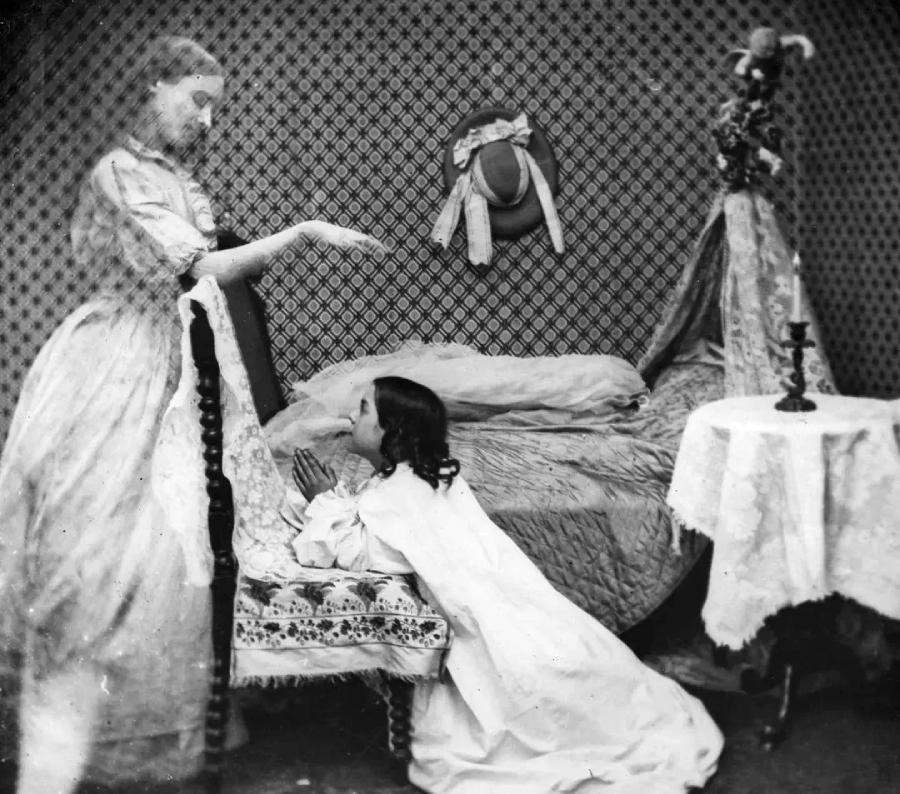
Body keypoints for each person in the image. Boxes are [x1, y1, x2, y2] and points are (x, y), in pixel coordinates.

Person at [0, 35, 386, 794]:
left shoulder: (176, 177)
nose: (209, 122)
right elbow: (200, 266)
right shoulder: (118, 172)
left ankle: (168, 732)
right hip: (114, 361)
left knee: (177, 542)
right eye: (198, 101)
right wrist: (304, 232)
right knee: (105, 550)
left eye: (218, 107)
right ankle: (84, 742)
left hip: (178, 352)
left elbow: (213, 264)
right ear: (152, 87)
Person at [291, 376, 724, 794]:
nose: (351, 414)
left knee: (510, 715)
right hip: (514, 611)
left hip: (490, 626)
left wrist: (324, 500)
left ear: (392, 430)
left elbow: (362, 553)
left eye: (363, 408)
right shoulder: (420, 479)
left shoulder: (400, 492)